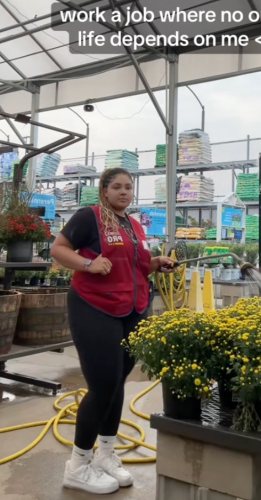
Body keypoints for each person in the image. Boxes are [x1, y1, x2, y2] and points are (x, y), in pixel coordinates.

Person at [49, 167, 174, 494]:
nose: (123, 192)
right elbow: (58, 249)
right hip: (95, 307)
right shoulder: (89, 217)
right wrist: (88, 264)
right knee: (103, 386)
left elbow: (135, 266)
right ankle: (78, 466)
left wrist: (156, 263)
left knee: (118, 382)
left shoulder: (133, 225)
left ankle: (106, 454)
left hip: (132, 310)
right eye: (116, 186)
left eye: (128, 187)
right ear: (104, 190)